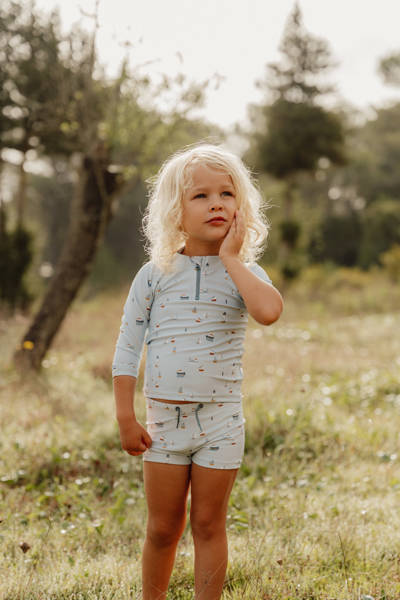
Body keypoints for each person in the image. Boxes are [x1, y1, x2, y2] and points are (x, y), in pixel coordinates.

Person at [112, 142, 283, 600]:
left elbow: (269, 312)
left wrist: (232, 258)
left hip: (221, 421)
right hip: (164, 425)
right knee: (162, 528)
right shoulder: (155, 274)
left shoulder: (245, 272)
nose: (216, 204)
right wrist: (126, 415)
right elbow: (127, 346)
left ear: (241, 206)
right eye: (200, 196)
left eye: (226, 194)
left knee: (209, 524)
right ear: (176, 210)